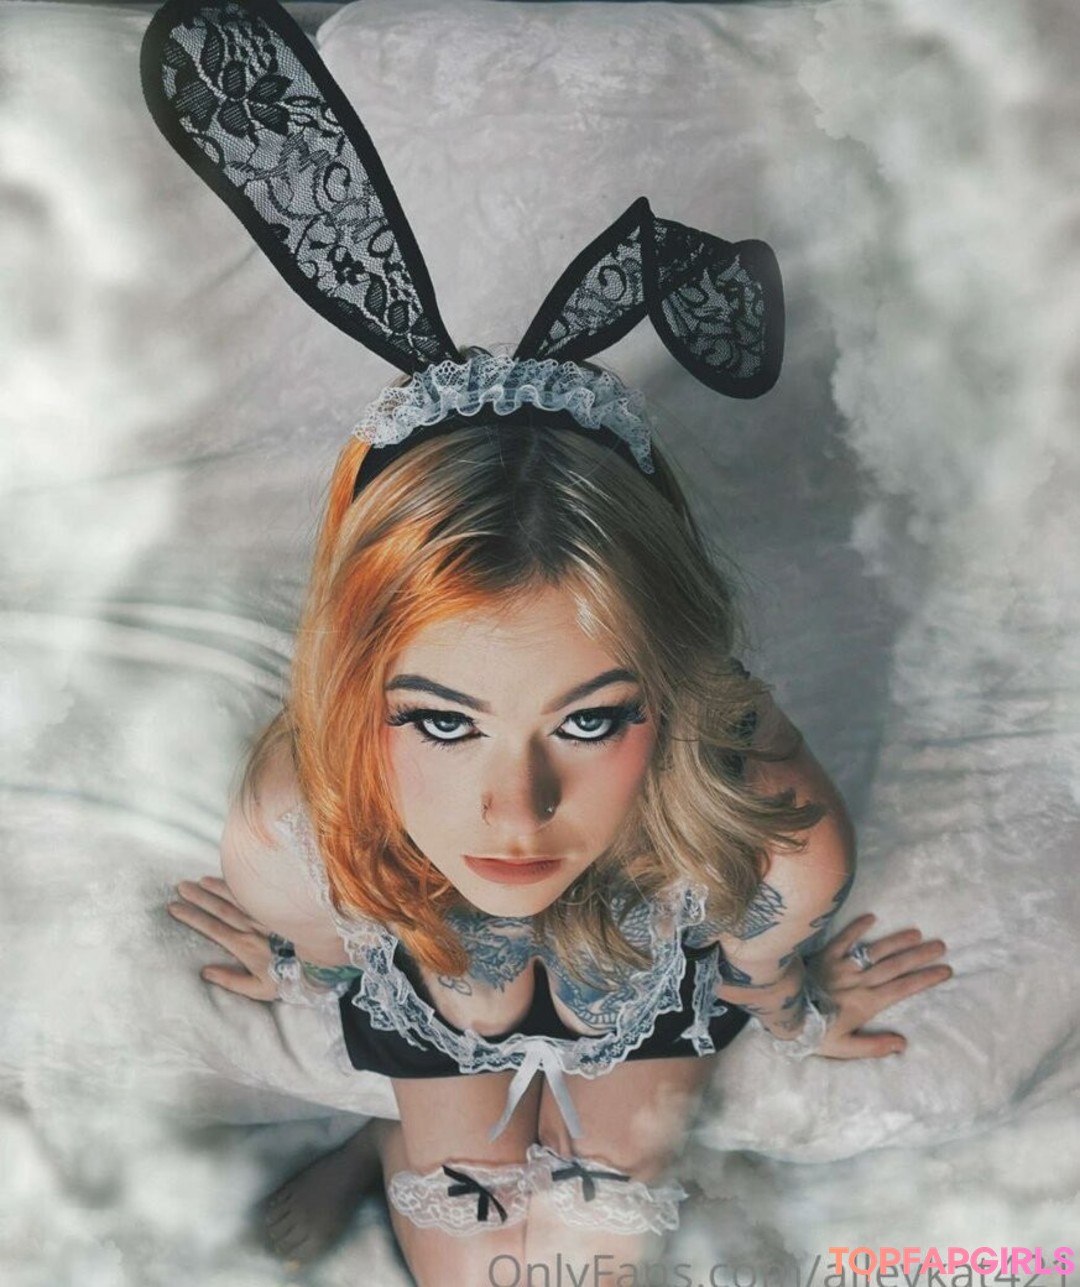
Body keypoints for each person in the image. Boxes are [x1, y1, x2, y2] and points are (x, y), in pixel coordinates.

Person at [143, 0, 951, 1279]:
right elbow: (331, 958)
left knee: (608, 1199)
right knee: (461, 1204)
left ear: (677, 687)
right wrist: (292, 952)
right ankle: (386, 1146)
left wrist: (801, 1006)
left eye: (587, 718)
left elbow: (754, 969)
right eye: (441, 720)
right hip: (437, 1005)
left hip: (642, 1009)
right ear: (355, 689)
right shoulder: (294, 828)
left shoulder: (775, 837)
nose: (515, 811)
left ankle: (461, 1148)